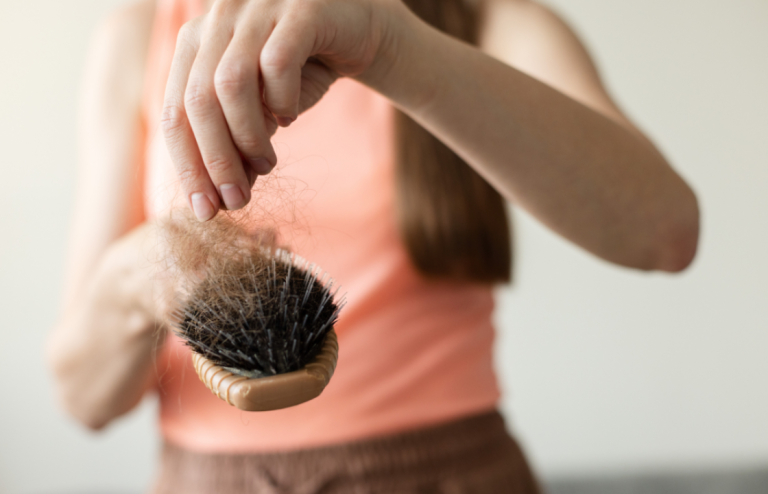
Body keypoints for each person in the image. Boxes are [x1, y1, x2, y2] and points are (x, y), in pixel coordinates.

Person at [47, 0, 700, 492]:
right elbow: (83, 397)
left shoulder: (489, 22)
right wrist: (151, 269)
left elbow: (664, 233)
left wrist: (392, 46)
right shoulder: (142, 35)